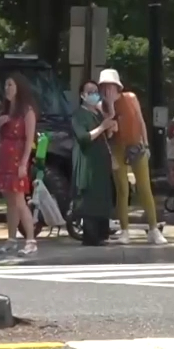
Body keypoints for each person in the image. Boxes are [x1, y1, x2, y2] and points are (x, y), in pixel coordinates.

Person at [98, 69, 167, 245]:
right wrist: (110, 105)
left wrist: (146, 143)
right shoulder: (101, 105)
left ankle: (153, 229)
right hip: (117, 147)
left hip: (136, 144)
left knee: (144, 187)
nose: (108, 90)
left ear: (117, 86)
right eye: (105, 86)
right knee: (122, 189)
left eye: (111, 86)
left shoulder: (130, 98)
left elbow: (140, 120)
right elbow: (110, 130)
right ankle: (125, 230)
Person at [0, 73, 38, 256]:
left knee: (19, 200)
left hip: (18, 157)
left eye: (10, 85)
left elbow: (29, 139)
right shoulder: (4, 111)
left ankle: (31, 240)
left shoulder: (27, 111)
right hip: (4, 156)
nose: (7, 89)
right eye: (6, 85)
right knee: (10, 201)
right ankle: (11, 238)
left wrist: (24, 162)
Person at [72, 81, 117, 245]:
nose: (93, 94)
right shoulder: (79, 115)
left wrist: (109, 127)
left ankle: (101, 234)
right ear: (83, 95)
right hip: (88, 161)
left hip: (101, 163)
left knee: (102, 197)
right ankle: (90, 235)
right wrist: (102, 128)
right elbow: (84, 138)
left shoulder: (97, 114)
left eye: (95, 91)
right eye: (89, 92)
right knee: (90, 199)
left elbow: (106, 135)